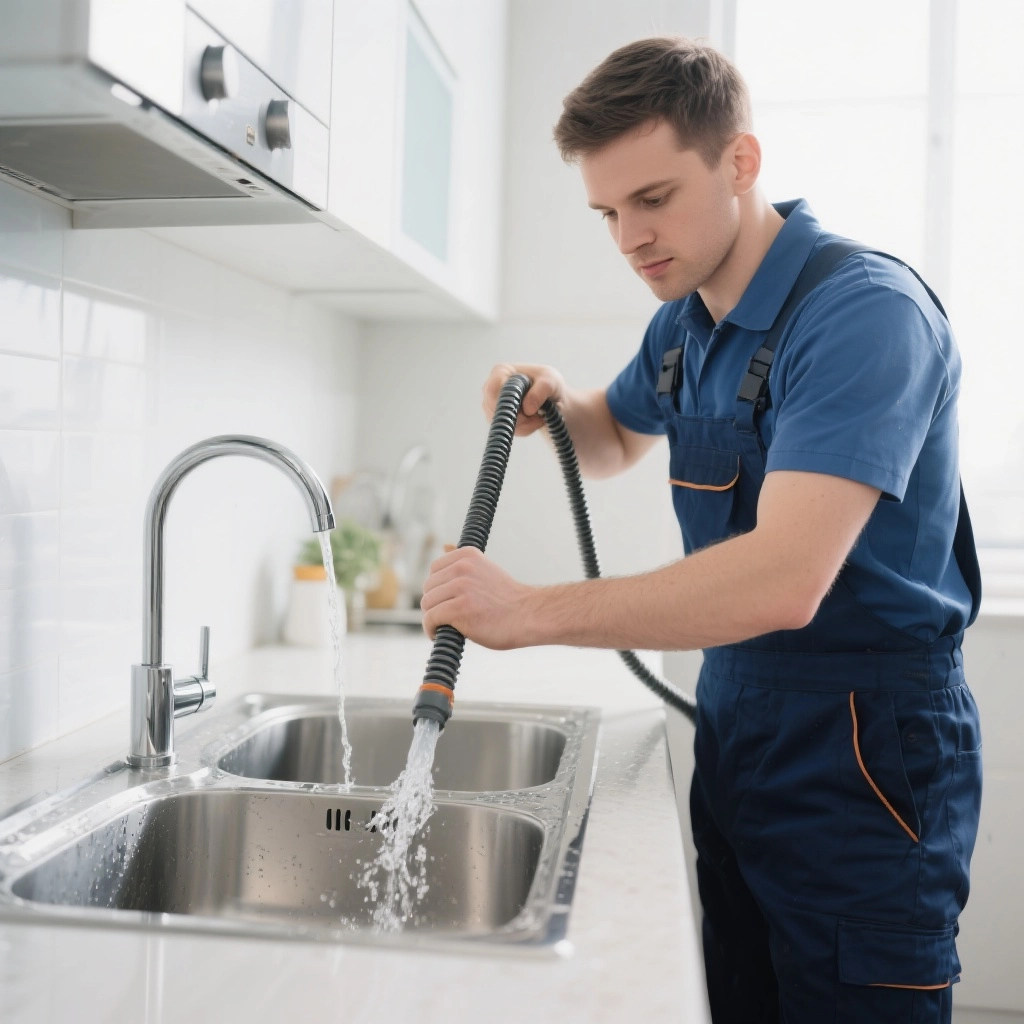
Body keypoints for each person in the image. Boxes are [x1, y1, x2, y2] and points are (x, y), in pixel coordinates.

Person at [419, 36, 983, 1023]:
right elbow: (609, 440)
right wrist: (551, 405)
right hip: (738, 715)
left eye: (652, 198)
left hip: (862, 743)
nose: (630, 237)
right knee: (740, 992)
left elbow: (780, 581)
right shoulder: (684, 322)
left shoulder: (860, 316)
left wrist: (527, 608)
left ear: (739, 161)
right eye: (606, 212)